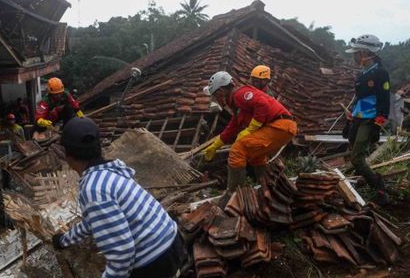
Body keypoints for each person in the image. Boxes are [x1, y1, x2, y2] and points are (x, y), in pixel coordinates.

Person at [51, 117, 184, 278]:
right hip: (172, 241)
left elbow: (122, 253)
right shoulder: (109, 172)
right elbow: (93, 221)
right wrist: (64, 240)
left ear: (67, 155)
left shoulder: (93, 189)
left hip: (155, 260)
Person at [202, 71, 297, 205]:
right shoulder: (236, 104)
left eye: (215, 96)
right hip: (282, 127)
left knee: (237, 150)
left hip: (280, 125)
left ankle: (235, 195)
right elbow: (233, 126)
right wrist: (215, 145)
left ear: (221, 91)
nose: (216, 99)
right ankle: (267, 187)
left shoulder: (240, 94)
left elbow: (262, 104)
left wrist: (251, 128)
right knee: (255, 156)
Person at [345, 34, 391, 205]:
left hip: (370, 119)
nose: (354, 57)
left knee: (356, 158)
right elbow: (359, 97)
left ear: (365, 53)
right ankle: (365, 174)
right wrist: (352, 111)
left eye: (356, 53)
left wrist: (379, 122)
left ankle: (379, 188)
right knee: (353, 146)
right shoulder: (363, 73)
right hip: (358, 116)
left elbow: (384, 98)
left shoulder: (380, 73)